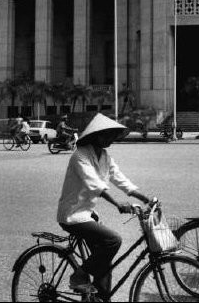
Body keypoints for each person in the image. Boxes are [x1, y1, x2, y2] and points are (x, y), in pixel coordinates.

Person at [56, 113, 152, 301]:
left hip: (88, 214)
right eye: (106, 135)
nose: (111, 140)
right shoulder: (80, 156)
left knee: (104, 261)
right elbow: (95, 184)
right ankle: (79, 275)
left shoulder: (105, 156)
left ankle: (101, 297)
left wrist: (145, 198)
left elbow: (121, 179)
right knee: (113, 240)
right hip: (72, 215)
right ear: (96, 136)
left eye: (112, 136)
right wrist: (117, 204)